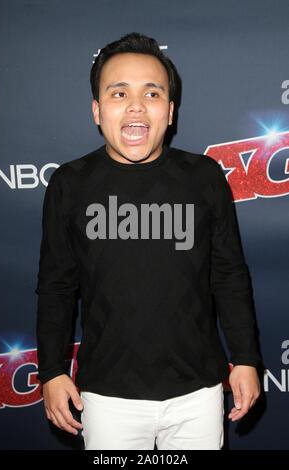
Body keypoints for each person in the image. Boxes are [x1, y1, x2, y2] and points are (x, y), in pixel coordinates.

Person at [35, 32, 262, 450]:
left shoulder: (204, 177)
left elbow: (228, 275)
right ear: (97, 111)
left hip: (198, 393)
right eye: (119, 93)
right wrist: (50, 370)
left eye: (152, 93)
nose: (136, 105)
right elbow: (56, 285)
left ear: (170, 111)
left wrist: (246, 357)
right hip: (106, 397)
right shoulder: (70, 184)